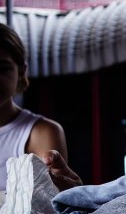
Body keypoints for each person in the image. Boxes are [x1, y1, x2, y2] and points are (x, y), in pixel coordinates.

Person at [0, 23, 82, 191]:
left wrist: (71, 193)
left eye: (2, 68)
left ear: (22, 71)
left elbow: (52, 205)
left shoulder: (40, 133)